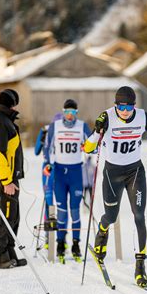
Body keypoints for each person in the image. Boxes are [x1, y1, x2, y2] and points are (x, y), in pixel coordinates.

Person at [84, 86, 147, 287]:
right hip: (112, 173)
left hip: (135, 172)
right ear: (115, 105)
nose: (125, 111)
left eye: (129, 106)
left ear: (134, 106)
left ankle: (140, 268)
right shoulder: (108, 117)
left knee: (139, 216)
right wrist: (96, 131)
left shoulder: (144, 117)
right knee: (111, 216)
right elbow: (87, 148)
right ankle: (102, 233)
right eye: (121, 106)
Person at [43, 99, 91, 263]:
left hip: (76, 172)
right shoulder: (55, 126)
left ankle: (76, 244)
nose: (70, 116)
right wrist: (48, 164)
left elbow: (93, 144)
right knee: (62, 211)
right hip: (60, 173)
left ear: (77, 113)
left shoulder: (82, 126)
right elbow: (47, 147)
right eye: (68, 112)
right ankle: (61, 243)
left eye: (74, 113)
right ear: (63, 112)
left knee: (75, 210)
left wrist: (88, 147)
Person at [0, 89, 26, 269]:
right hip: (5, 178)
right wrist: (6, 180)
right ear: (12, 103)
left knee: (12, 216)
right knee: (3, 216)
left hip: (11, 177)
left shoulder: (5, 119)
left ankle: (9, 252)